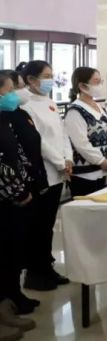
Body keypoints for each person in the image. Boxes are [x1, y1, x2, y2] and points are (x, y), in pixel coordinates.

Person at [17, 62, 72, 291]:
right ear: (31, 79)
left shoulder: (50, 102)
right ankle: (36, 272)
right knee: (38, 226)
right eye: (46, 76)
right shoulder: (26, 105)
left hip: (60, 171)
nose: (51, 80)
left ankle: (47, 267)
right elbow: (38, 141)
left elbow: (61, 133)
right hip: (44, 172)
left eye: (52, 75)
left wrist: (68, 158)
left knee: (48, 224)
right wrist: (59, 162)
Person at [0, 70, 40, 322]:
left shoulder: (6, 118)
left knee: (14, 252)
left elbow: (17, 155)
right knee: (5, 253)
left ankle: (14, 295)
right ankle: (6, 303)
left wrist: (26, 183)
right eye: (10, 90)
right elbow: (2, 165)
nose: (14, 94)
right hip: (6, 199)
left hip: (16, 195)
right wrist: (18, 191)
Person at [64, 68, 107, 196]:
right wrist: (101, 161)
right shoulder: (75, 111)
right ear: (82, 86)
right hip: (85, 174)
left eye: (100, 81)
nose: (100, 85)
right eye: (96, 81)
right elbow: (81, 144)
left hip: (102, 170)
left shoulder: (99, 107)